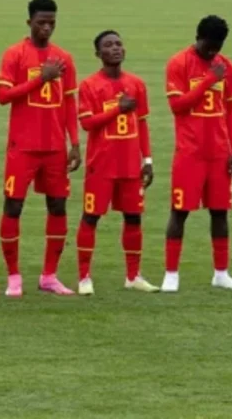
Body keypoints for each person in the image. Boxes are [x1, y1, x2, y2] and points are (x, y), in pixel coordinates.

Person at [0, 0, 80, 297]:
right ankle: (14, 276)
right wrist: (39, 80)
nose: (47, 28)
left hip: (55, 147)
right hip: (23, 147)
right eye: (41, 22)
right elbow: (3, 96)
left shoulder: (64, 58)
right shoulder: (15, 54)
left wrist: (75, 142)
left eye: (52, 23)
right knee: (14, 206)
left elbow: (69, 102)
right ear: (29, 22)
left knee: (57, 206)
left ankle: (49, 276)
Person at [161, 16, 232, 293]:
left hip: (219, 153)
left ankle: (221, 273)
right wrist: (208, 80)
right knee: (180, 212)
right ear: (198, 37)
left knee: (220, 213)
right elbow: (178, 106)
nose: (213, 52)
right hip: (190, 153)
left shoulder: (227, 66)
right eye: (209, 46)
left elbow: (231, 112)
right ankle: (171, 274)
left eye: (218, 46)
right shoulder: (179, 63)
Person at [74, 31, 159, 296]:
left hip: (130, 166)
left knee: (133, 218)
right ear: (98, 54)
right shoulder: (89, 85)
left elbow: (142, 124)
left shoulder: (136, 84)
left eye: (119, 44)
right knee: (91, 217)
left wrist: (147, 159)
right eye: (108, 45)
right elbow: (87, 123)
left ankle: (133, 276)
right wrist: (116, 110)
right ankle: (84, 276)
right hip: (101, 165)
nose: (115, 48)